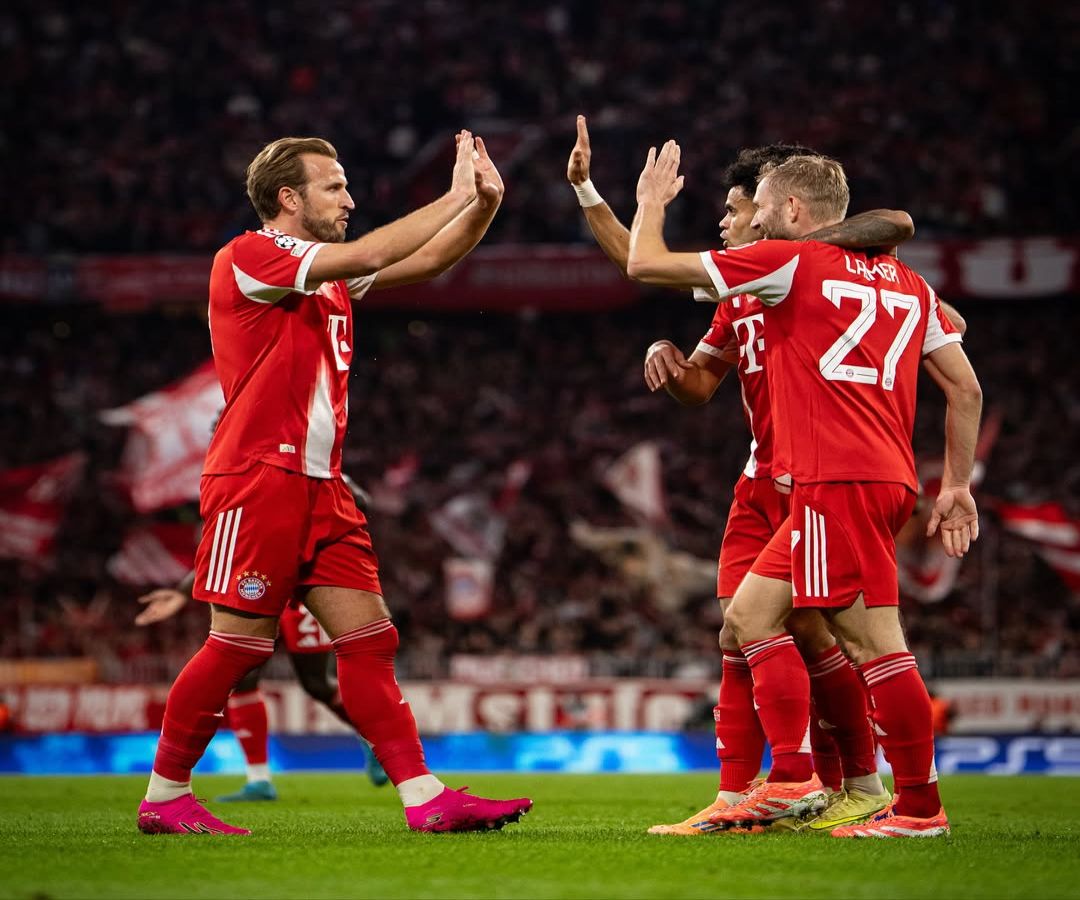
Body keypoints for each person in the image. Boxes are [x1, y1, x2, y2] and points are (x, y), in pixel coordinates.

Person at [137, 132, 532, 835]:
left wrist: (483, 206)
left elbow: (430, 260)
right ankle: (165, 797)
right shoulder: (251, 255)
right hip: (259, 476)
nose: (350, 198)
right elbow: (375, 252)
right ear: (289, 198)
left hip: (323, 484)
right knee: (238, 646)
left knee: (370, 639)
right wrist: (454, 193)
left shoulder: (325, 275)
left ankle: (424, 798)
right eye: (335, 186)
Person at [568, 117, 913, 834]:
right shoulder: (743, 290)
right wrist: (590, 196)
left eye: (735, 208)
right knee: (740, 629)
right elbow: (694, 376)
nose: (726, 222)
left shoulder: (806, 269)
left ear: (776, 208)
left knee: (810, 634)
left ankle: (836, 779)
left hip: (816, 477)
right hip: (760, 478)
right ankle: (745, 792)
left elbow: (897, 225)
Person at [627, 144, 981, 838]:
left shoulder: (791, 263)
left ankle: (911, 807)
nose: (755, 221)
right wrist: (959, 484)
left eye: (761, 209)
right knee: (752, 619)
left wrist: (647, 204)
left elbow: (643, 264)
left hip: (832, 477)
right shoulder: (912, 285)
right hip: (887, 476)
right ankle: (804, 782)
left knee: (873, 646)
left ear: (791, 209)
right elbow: (965, 388)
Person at [136, 563, 390, 800]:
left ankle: (375, 738)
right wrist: (182, 592)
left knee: (316, 684)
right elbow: (227, 550)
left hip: (302, 597)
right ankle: (259, 780)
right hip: (259, 593)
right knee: (242, 677)